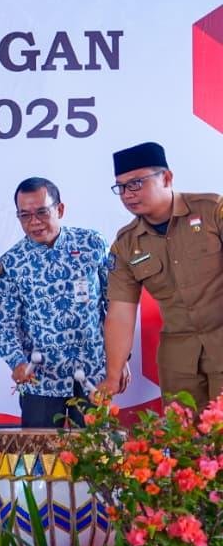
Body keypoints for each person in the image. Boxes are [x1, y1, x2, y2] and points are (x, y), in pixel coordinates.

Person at [95, 142, 223, 409]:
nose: (127, 194)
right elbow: (120, 312)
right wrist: (113, 373)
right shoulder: (126, 244)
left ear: (166, 178)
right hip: (179, 360)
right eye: (121, 187)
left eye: (136, 183)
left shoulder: (212, 211)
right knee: (183, 442)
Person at [0, 177, 118, 428]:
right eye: (25, 215)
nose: (34, 222)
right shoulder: (12, 262)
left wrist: (121, 360)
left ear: (60, 209)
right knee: (40, 460)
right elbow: (5, 323)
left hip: (94, 371)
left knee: (96, 457)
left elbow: (116, 304)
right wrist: (17, 362)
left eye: (42, 212)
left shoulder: (92, 244)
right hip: (41, 379)